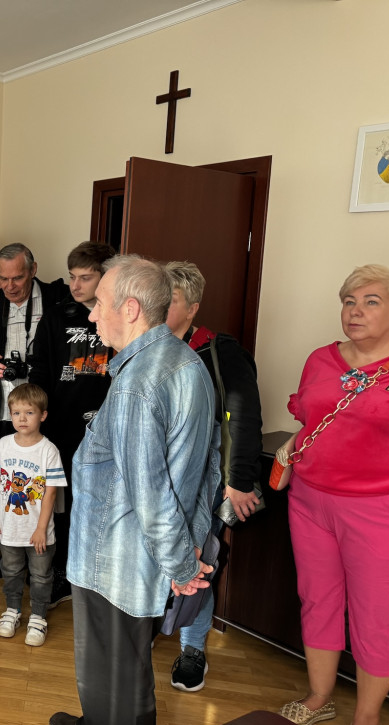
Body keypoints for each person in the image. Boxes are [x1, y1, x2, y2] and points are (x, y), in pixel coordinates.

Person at [49, 255, 220, 725]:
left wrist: (182, 565)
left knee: (116, 677)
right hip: (136, 555)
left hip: (116, 560)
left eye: (99, 303)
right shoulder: (184, 361)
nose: (91, 314)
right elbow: (207, 467)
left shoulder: (136, 384)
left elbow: (151, 494)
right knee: (119, 670)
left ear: (130, 308)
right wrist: (189, 546)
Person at [277, 265, 389, 725]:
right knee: (318, 600)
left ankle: (366, 721)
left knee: (374, 616)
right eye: (349, 301)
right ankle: (320, 697)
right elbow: (312, 416)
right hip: (309, 500)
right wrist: (294, 444)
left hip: (378, 509)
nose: (355, 311)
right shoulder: (320, 359)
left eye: (371, 301)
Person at [163, 261, 263, 693]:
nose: (160, 306)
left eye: (171, 300)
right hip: (158, 477)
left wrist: (238, 481)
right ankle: (151, 625)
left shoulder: (220, 352)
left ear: (193, 308)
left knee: (197, 560)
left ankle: (192, 648)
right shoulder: (144, 348)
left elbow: (244, 416)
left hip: (204, 482)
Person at [0, 242, 68, 578]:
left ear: (33, 270)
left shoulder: (58, 298)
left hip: (45, 409)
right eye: (2, 279)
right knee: (4, 483)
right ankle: (8, 554)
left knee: (43, 485)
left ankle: (45, 561)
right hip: (1, 409)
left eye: (17, 278)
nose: (9, 286)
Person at [29, 240, 114, 607]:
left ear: (105, 278)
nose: (75, 285)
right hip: (61, 427)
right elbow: (40, 369)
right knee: (61, 505)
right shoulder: (56, 316)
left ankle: (96, 575)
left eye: (85, 277)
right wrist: (36, 419)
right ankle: (61, 572)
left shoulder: (120, 316)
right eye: (71, 277)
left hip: (106, 429)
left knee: (98, 504)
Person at [0, 383, 65, 646]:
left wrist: (41, 528)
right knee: (11, 570)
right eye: (16, 413)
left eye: (29, 413)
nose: (22, 419)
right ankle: (12, 610)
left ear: (43, 415)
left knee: (41, 575)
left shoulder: (48, 450)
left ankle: (38, 616)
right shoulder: (3, 445)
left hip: (38, 531)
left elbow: (51, 493)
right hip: (9, 528)